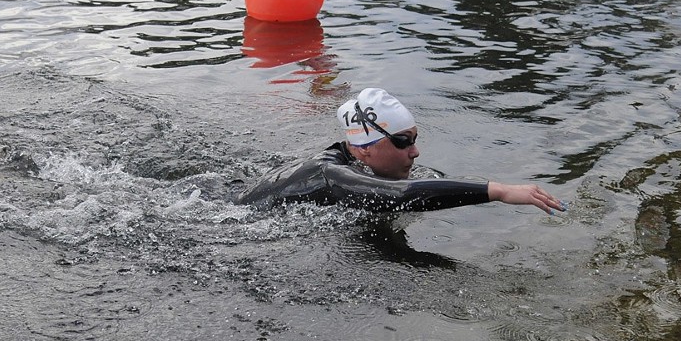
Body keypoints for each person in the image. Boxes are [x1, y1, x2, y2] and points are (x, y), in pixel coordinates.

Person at [237, 88, 567, 215]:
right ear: (361, 149)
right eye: (401, 142)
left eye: (414, 139)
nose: (416, 152)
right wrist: (499, 191)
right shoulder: (333, 176)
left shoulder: (348, 157)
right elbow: (400, 195)